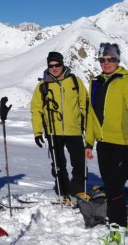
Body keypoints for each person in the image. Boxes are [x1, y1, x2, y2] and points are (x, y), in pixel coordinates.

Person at [85, 43, 128, 244]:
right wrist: (88, 143)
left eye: (111, 59)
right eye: (102, 59)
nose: (106, 63)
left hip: (121, 144)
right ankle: (115, 225)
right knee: (110, 188)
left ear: (118, 60)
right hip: (103, 144)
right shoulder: (96, 82)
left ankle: (119, 233)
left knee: (116, 190)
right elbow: (92, 116)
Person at [30, 51, 88, 203]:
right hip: (53, 131)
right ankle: (63, 193)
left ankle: (77, 193)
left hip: (74, 130)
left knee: (79, 164)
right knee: (58, 165)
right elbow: (36, 110)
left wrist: (89, 130)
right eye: (51, 65)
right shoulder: (43, 85)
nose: (54, 68)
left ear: (63, 64)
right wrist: (37, 132)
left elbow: (85, 106)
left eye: (57, 65)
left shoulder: (75, 82)